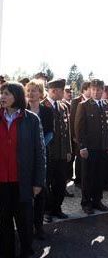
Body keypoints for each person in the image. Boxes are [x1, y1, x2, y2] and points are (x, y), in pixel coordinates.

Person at [0, 82, 46, 258]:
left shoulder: (31, 120)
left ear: (17, 96)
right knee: (3, 221)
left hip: (23, 180)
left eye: (7, 94)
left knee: (25, 220)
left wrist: (38, 181)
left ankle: (27, 252)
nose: (2, 97)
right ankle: (6, 253)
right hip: (2, 180)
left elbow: (40, 152)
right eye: (1, 93)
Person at [75, 79, 108, 214]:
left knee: (99, 176)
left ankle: (97, 201)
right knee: (88, 177)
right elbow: (79, 128)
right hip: (89, 148)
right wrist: (82, 147)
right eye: (94, 89)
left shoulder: (107, 105)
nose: (96, 92)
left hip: (103, 147)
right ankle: (86, 203)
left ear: (103, 91)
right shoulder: (83, 105)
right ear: (90, 90)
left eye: (99, 90)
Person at [26, 79, 54, 240]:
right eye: (28, 90)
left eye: (34, 90)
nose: (31, 93)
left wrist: (39, 146)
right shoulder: (21, 109)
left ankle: (39, 227)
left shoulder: (47, 111)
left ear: (41, 92)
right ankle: (27, 226)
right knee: (26, 194)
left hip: (42, 157)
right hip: (24, 157)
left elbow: (51, 132)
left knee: (41, 192)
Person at [41, 79, 72, 222]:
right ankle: (47, 210)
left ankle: (57, 208)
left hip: (60, 153)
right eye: (61, 90)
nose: (64, 93)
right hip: (48, 153)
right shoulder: (42, 106)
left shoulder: (63, 106)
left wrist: (68, 150)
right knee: (46, 184)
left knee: (60, 183)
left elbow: (67, 132)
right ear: (53, 91)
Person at [70, 81, 91, 187]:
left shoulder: (92, 102)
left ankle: (86, 179)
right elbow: (73, 119)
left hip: (90, 136)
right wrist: (74, 135)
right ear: (84, 90)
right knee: (79, 157)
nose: (92, 91)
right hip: (78, 136)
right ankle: (78, 179)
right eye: (90, 89)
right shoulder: (76, 101)